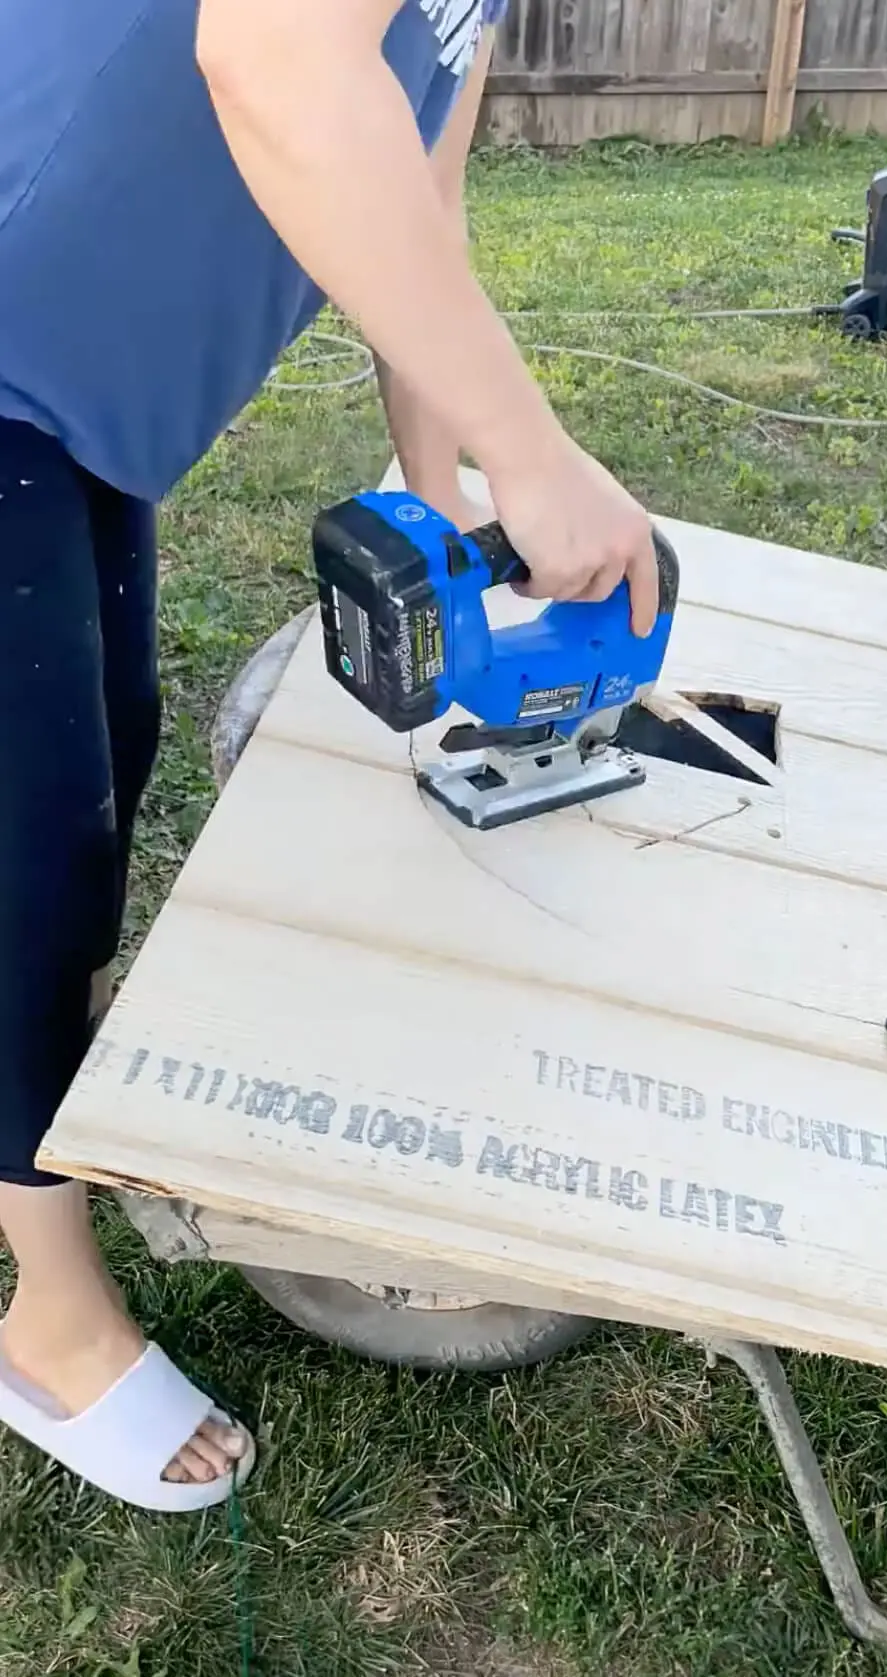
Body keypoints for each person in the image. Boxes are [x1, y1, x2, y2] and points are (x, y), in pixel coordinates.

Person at [0, 0, 661, 1513]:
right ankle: (48, 1315)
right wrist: (536, 456)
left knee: (93, 780)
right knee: (26, 855)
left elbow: (414, 223)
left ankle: (40, 1114)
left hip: (74, 408)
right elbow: (275, 66)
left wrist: (442, 504)